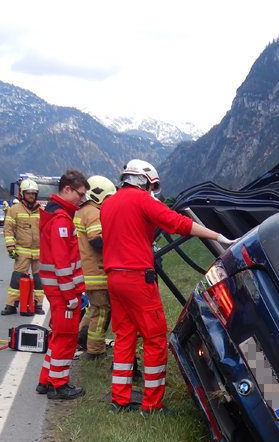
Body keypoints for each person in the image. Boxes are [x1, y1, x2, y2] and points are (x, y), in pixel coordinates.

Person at [99, 159, 231, 415]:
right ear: (144, 180)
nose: (153, 190)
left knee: (124, 337)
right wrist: (216, 236)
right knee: (155, 338)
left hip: (114, 278)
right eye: (153, 185)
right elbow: (177, 223)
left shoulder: (108, 204)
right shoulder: (142, 200)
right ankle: (152, 404)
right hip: (137, 278)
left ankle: (120, 399)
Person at [35, 170, 89, 400]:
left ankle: (45, 381)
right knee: (66, 339)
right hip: (62, 292)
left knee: (57, 336)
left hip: (58, 291)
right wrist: (71, 296)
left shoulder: (57, 215)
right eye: (80, 194)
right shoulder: (60, 220)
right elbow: (62, 264)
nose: (82, 199)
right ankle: (59, 385)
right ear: (67, 189)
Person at [74, 175, 116, 360]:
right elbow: (97, 240)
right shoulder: (93, 212)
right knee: (102, 311)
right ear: (99, 195)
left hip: (87, 271)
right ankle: (96, 350)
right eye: (107, 198)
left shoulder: (82, 211)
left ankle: (82, 338)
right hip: (96, 272)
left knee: (93, 309)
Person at [1, 179, 44, 315]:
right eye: (28, 193)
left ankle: (38, 305)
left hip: (39, 252)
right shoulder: (14, 210)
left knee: (39, 280)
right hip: (21, 252)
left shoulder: (41, 211)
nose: (31, 196)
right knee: (17, 279)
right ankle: (11, 305)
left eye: (33, 193)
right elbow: (8, 230)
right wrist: (10, 248)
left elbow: (47, 231)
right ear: (22, 194)